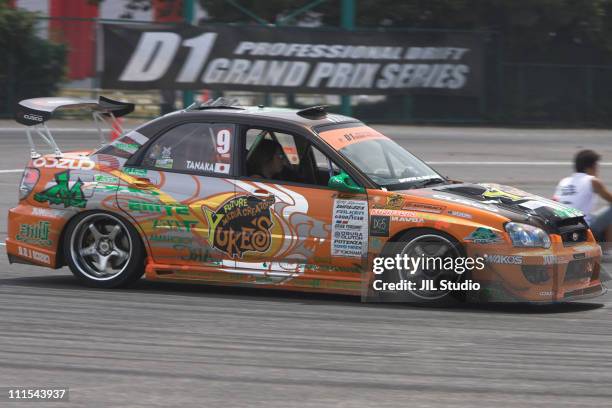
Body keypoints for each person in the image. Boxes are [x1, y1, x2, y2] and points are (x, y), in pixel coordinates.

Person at [553, 150, 612, 245]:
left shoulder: (563, 182)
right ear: (591, 167)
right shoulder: (592, 181)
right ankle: (609, 250)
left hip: (561, 227)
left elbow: (554, 203)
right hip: (583, 227)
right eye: (596, 166)